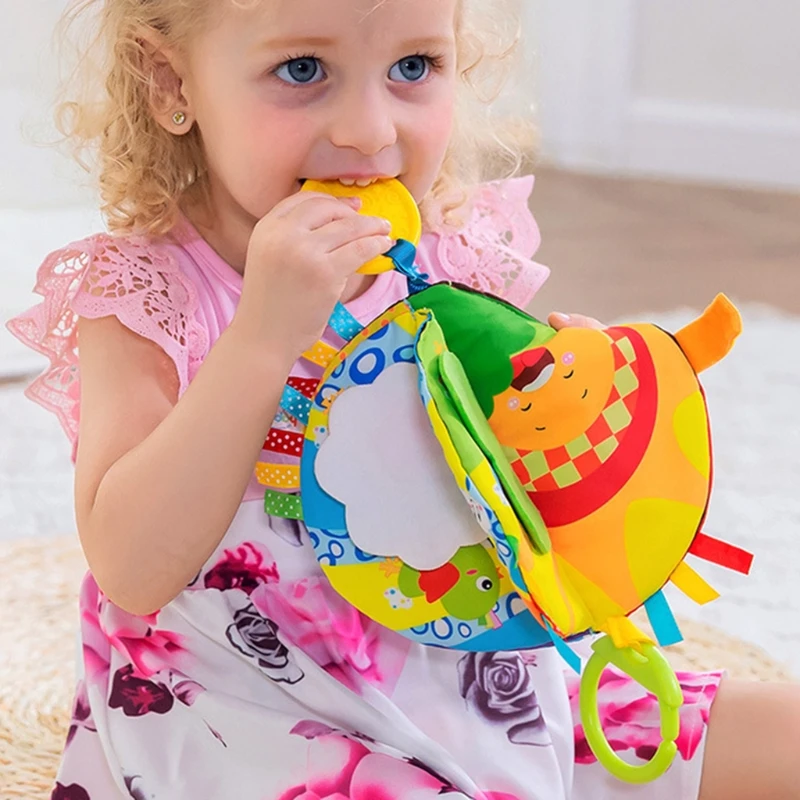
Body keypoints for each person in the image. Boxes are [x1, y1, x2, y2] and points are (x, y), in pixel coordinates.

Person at [8, 1, 800, 798]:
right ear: (170, 83)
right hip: (250, 716)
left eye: (413, 67)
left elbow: (502, 500)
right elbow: (132, 568)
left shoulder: (449, 256)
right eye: (302, 70)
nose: (369, 129)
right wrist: (262, 339)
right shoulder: (149, 293)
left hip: (475, 687)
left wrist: (564, 407)